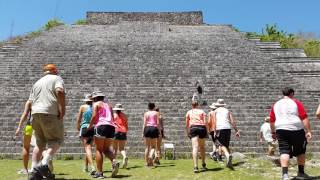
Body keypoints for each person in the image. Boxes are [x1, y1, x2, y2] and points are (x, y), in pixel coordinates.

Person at [28, 64, 65, 180]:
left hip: (35, 113)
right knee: (56, 140)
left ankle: (33, 170)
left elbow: (30, 101)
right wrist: (62, 109)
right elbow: (59, 91)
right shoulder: (57, 78)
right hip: (50, 112)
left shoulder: (37, 83)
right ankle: (44, 163)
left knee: (39, 143)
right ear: (55, 71)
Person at [269, 87, 312, 180]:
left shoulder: (276, 104)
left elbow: (272, 120)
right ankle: (301, 173)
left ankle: (285, 175)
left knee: (284, 151)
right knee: (301, 151)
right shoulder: (296, 102)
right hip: (296, 129)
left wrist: (273, 132)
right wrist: (308, 131)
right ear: (291, 93)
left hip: (281, 129)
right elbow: (304, 117)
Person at [88, 91, 119, 178]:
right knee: (106, 149)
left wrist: (90, 127)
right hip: (111, 127)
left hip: (101, 126)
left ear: (95, 98)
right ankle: (114, 161)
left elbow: (94, 116)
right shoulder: (109, 105)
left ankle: (100, 173)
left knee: (99, 150)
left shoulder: (96, 104)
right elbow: (112, 118)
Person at [211, 99, 240, 169]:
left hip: (219, 128)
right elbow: (232, 121)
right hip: (228, 128)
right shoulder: (227, 110)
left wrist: (214, 131)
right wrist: (236, 130)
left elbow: (214, 122)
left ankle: (227, 155)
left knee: (220, 144)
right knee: (226, 145)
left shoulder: (215, 111)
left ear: (217, 105)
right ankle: (229, 160)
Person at [185, 100, 208, 173]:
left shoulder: (189, 112)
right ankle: (203, 164)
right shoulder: (202, 111)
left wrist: (187, 132)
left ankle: (195, 166)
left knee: (195, 147)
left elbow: (187, 124)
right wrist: (207, 131)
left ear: (192, 105)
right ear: (198, 105)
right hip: (201, 128)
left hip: (193, 128)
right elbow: (205, 122)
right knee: (202, 147)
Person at [76, 94, 95, 174]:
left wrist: (78, 128)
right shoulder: (94, 107)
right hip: (93, 128)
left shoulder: (83, 107)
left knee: (87, 148)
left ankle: (92, 167)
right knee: (89, 147)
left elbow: (78, 119)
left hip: (84, 127)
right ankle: (86, 167)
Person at [15, 100, 33, 174]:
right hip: (41, 126)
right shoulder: (44, 99)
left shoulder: (30, 102)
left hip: (30, 126)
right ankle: (40, 167)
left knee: (26, 147)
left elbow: (25, 114)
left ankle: (25, 169)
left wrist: (19, 127)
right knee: (40, 147)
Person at [142, 102, 160, 167]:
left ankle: (147, 162)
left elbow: (144, 123)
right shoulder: (156, 113)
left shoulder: (146, 113)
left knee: (147, 147)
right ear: (154, 107)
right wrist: (159, 131)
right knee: (153, 147)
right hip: (154, 128)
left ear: (148, 107)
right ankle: (150, 156)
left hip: (147, 128)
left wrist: (143, 132)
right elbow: (158, 123)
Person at [113, 103, 129, 169]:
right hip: (123, 131)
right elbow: (126, 125)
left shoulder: (113, 115)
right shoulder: (125, 116)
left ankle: (114, 163)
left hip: (116, 131)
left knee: (115, 149)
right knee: (122, 148)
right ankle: (124, 156)